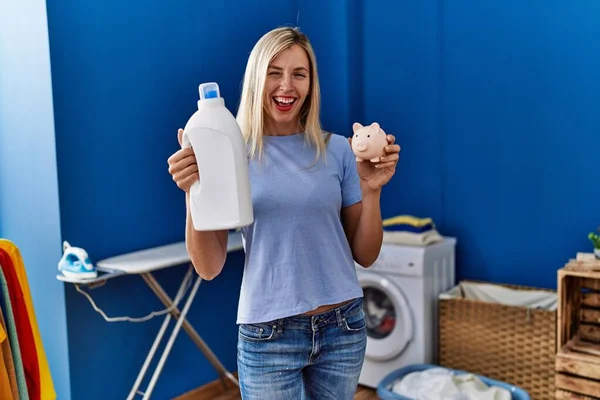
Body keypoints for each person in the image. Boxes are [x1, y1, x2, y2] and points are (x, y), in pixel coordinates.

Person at [167, 26, 400, 400]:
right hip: (267, 334)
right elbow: (208, 267)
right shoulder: (230, 153)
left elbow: (366, 255)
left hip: (343, 327)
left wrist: (371, 192)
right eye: (274, 72)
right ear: (257, 78)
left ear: (312, 83)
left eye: (299, 74)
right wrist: (192, 191)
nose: (286, 86)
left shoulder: (338, 150)